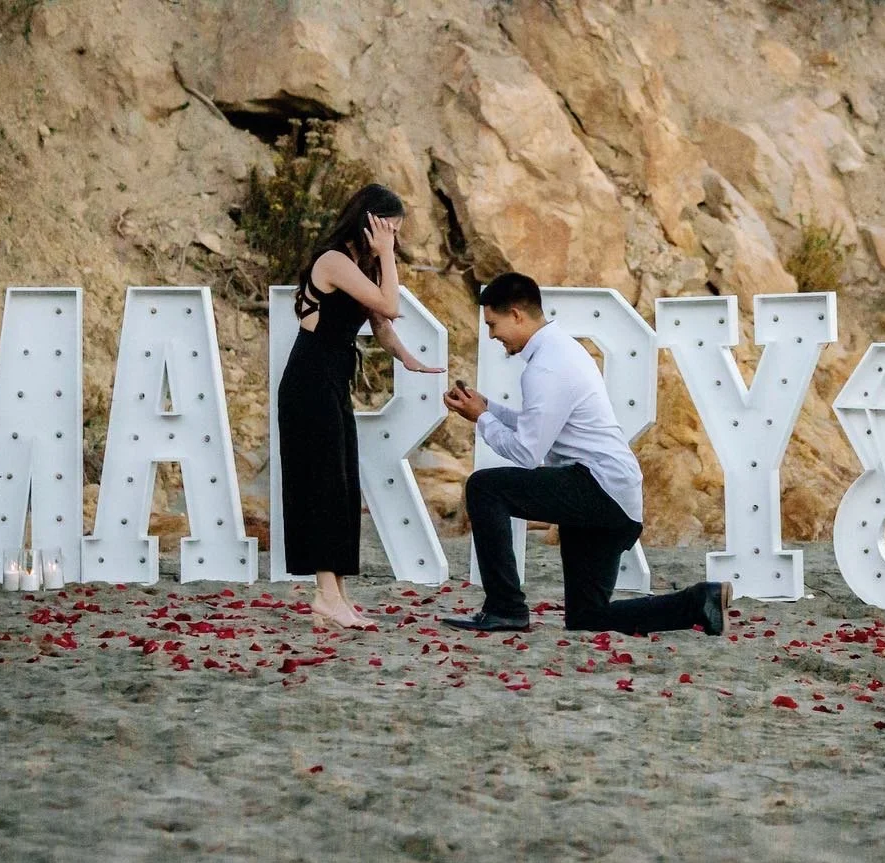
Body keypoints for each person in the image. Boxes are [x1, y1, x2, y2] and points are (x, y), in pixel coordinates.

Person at [442, 272, 731, 635]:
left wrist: (480, 418)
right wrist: (489, 409)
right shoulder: (559, 350)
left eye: (493, 324)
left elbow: (527, 453)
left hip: (598, 489)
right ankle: (699, 601)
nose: (492, 335)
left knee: (485, 487)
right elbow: (542, 425)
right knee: (587, 618)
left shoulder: (546, 366)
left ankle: (505, 608)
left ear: (517, 315)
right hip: (612, 495)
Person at [278, 183, 442, 629]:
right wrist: (387, 254)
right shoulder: (333, 262)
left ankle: (337, 597)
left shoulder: (359, 267)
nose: (394, 238)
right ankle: (324, 595)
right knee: (322, 485)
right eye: (389, 229)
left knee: (343, 486)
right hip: (309, 381)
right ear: (370, 221)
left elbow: (382, 324)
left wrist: (409, 359)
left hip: (332, 380)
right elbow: (390, 303)